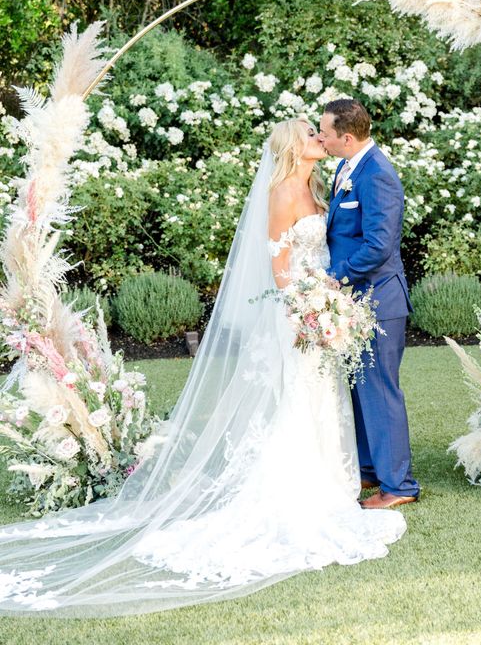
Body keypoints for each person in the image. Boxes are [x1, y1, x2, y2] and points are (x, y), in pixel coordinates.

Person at [0, 118, 406, 618]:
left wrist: (324, 300)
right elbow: (279, 268)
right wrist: (308, 304)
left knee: (326, 396)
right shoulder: (280, 193)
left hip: (320, 311)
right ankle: (303, 485)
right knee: (302, 398)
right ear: (291, 148)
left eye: (319, 133)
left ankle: (341, 475)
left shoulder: (323, 183)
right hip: (300, 314)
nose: (318, 139)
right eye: (309, 135)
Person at [319, 100, 419, 509]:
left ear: (346, 137)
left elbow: (379, 246)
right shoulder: (347, 166)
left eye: (324, 132)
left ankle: (399, 486)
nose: (319, 137)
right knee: (361, 390)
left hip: (378, 300)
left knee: (380, 391)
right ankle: (371, 470)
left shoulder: (377, 175)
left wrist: (335, 278)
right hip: (355, 302)